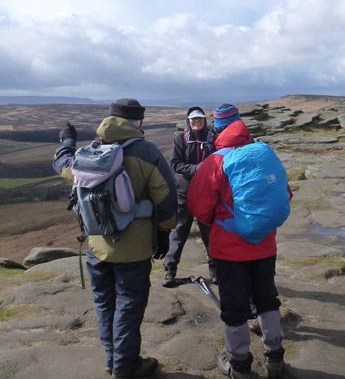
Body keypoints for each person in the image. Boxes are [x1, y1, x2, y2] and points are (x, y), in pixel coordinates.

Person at [53, 98, 177, 379]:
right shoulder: (147, 151)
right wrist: (164, 231)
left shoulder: (90, 152)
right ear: (140, 123)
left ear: (108, 121)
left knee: (104, 303)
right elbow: (167, 198)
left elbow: (62, 165)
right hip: (134, 251)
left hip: (97, 246)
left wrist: (67, 140)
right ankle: (124, 366)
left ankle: (112, 359)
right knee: (129, 307)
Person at [187, 104, 292, 379]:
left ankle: (240, 366)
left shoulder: (215, 162)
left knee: (234, 309)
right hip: (265, 246)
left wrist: (222, 223)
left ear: (217, 130)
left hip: (229, 251)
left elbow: (198, 207)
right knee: (267, 300)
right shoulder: (264, 154)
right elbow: (285, 194)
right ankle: (276, 359)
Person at [162, 106, 217, 287]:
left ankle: (215, 271)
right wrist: (196, 169)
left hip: (206, 194)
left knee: (209, 234)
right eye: (193, 119)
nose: (196, 121)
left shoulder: (213, 139)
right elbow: (175, 164)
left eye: (200, 118)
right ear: (188, 121)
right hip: (183, 195)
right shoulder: (181, 139)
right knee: (178, 233)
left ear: (204, 120)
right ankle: (169, 271)